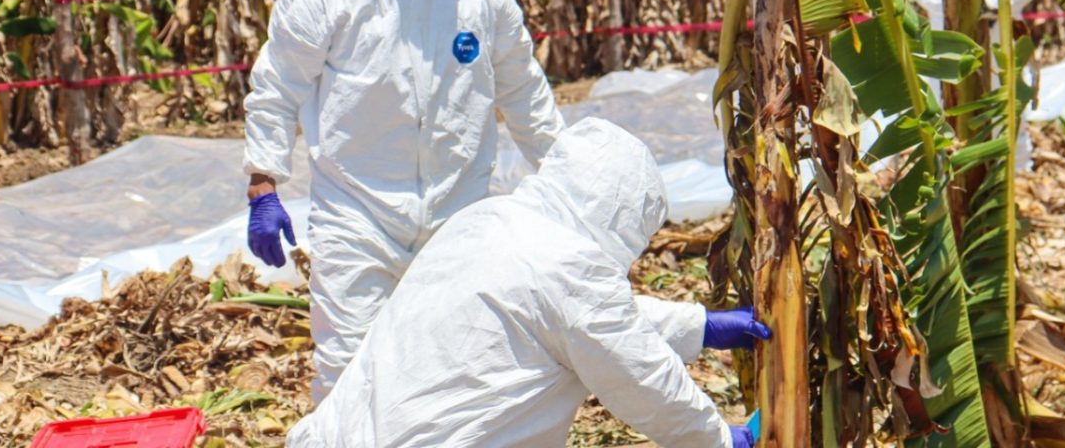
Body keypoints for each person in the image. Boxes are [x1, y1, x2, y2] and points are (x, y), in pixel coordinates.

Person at [241, 0, 564, 402]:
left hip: (456, 216)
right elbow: (276, 85)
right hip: (357, 218)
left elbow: (525, 93)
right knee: (350, 372)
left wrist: (568, 181)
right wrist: (264, 187)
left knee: (458, 369)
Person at [285, 119, 771, 447]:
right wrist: (717, 438)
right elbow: (638, 374)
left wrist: (699, 326)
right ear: (620, 213)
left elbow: (564, 318)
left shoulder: (490, 220)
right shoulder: (571, 266)